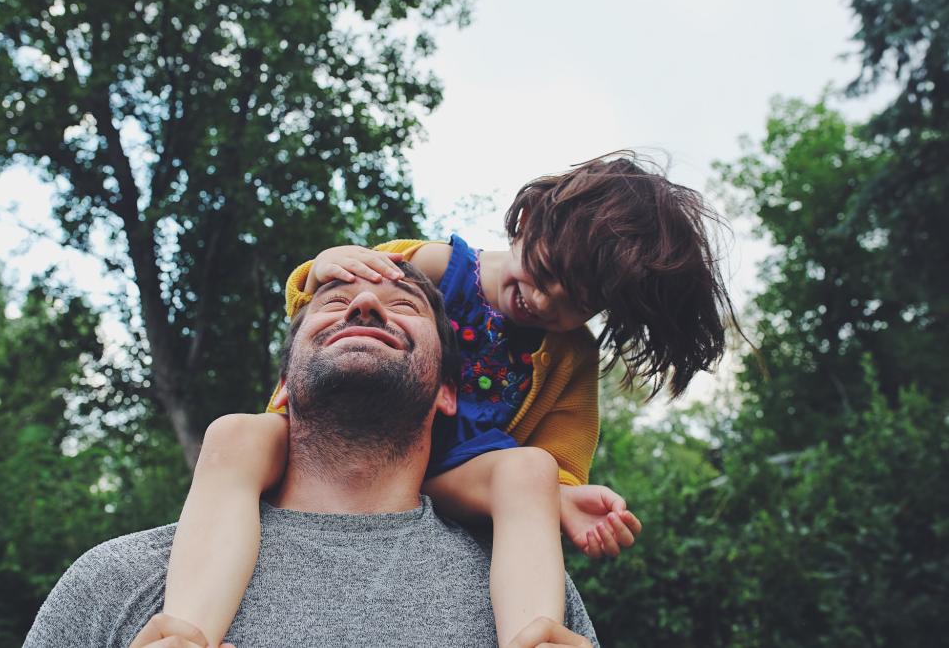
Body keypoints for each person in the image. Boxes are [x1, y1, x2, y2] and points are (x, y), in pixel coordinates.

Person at [164, 152, 733, 645]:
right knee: (235, 435)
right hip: (330, 444)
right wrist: (324, 266)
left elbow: (561, 447)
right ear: (528, 221)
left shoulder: (570, 356)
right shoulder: (438, 265)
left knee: (528, 469)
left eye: (573, 301)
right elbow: (339, 303)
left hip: (451, 471)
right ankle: (182, 633)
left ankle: (534, 638)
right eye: (545, 272)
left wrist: (560, 497)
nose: (541, 299)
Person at [25, 262, 600, 647]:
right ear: (283, 387)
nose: (368, 304)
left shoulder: (535, 600)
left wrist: (565, 490)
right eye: (334, 300)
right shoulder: (119, 581)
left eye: (407, 306)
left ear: (449, 391)